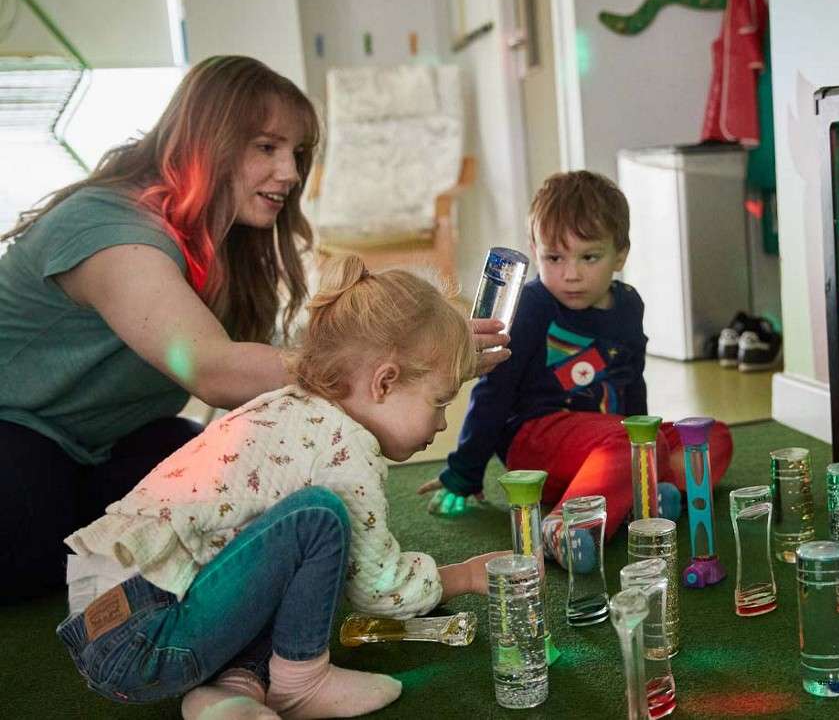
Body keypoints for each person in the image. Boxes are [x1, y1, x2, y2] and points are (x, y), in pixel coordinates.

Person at [0, 55, 509, 601]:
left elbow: (270, 381)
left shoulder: (228, 249)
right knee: (37, 555)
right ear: (205, 140)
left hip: (106, 444)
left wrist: (418, 351)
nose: (290, 173)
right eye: (266, 147)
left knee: (210, 490)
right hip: (18, 432)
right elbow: (213, 367)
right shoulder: (109, 228)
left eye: (297, 153)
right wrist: (375, 362)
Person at [57, 256, 505, 719]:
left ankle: (234, 690)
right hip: (143, 632)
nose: (442, 422)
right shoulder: (344, 444)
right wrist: (465, 576)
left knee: (279, 547)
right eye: (439, 401)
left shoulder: (287, 407)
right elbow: (377, 587)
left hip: (105, 625)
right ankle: (302, 683)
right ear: (384, 382)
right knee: (318, 519)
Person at [418, 171, 734, 570]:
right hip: (536, 441)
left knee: (710, 436)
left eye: (589, 257)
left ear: (620, 254)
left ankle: (642, 493)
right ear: (534, 250)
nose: (571, 274)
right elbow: (493, 391)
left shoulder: (629, 306)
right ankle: (562, 528)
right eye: (555, 257)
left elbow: (632, 383)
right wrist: (465, 470)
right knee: (630, 443)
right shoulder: (531, 307)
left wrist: (647, 438)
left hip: (606, 445)